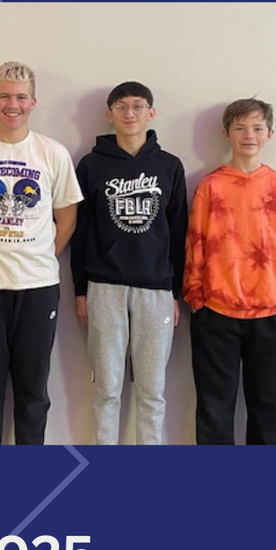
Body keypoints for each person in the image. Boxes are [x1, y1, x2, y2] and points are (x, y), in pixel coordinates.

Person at [0, 61, 82, 445]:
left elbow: (67, 218)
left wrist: (42, 255)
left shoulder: (52, 154)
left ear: (33, 103)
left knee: (33, 391)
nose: (13, 104)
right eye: (5, 96)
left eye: (21, 97)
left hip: (38, 285)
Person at [183, 97, 276, 444]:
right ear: (226, 133)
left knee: (270, 411)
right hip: (216, 313)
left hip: (275, 312)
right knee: (213, 409)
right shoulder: (210, 186)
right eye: (240, 127)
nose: (248, 135)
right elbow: (195, 242)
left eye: (256, 128)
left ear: (270, 134)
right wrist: (197, 297)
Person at [72, 82, 188, 444]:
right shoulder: (91, 165)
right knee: (107, 388)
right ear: (110, 114)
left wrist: (175, 291)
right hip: (104, 287)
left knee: (152, 391)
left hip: (156, 290)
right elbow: (81, 231)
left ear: (151, 113)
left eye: (138, 106)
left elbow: (180, 231)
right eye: (121, 107)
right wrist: (80, 289)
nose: (130, 113)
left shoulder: (169, 166)